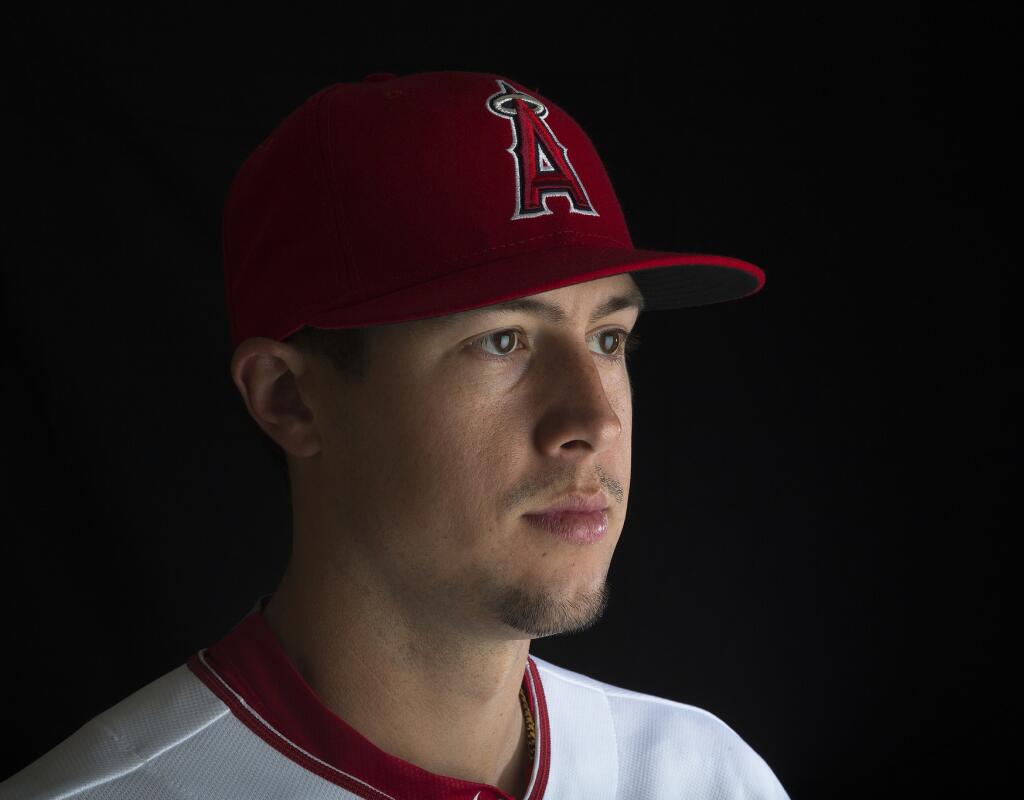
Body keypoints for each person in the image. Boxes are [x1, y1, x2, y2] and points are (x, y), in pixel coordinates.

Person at [1, 70, 788, 800]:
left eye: (609, 339)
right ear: (290, 400)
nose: (595, 421)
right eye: (503, 340)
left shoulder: (707, 774)